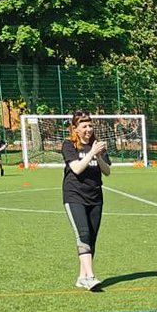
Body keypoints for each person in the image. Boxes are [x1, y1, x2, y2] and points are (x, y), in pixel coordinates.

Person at [61, 110, 112, 291]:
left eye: (90, 126)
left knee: (92, 238)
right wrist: (91, 153)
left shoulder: (97, 146)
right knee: (83, 234)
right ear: (75, 129)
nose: (88, 129)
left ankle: (82, 277)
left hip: (95, 197)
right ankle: (90, 277)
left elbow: (107, 171)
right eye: (84, 126)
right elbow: (76, 168)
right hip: (74, 195)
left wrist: (98, 155)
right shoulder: (69, 145)